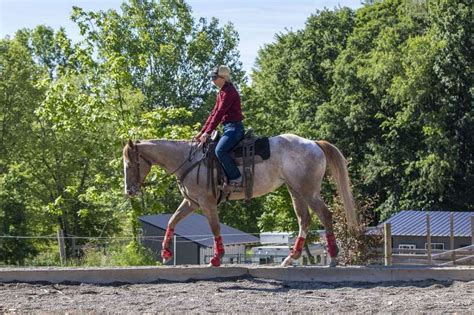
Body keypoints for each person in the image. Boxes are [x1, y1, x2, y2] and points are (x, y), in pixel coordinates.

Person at [194, 65, 244, 190]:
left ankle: (237, 178)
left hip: (235, 128)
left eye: (215, 77)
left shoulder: (229, 92)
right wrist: (202, 132)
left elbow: (220, 113)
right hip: (228, 128)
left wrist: (208, 133)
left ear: (224, 78)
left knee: (220, 151)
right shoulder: (222, 92)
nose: (213, 80)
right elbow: (213, 113)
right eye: (212, 77)